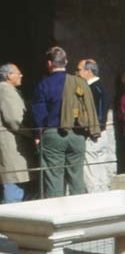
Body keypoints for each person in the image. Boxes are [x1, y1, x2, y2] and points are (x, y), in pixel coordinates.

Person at [31, 46, 100, 198]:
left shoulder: (44, 85)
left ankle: (58, 215)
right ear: (66, 62)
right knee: (76, 178)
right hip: (77, 135)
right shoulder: (79, 82)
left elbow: (39, 114)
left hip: (53, 134)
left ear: (49, 63)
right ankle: (78, 216)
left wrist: (38, 134)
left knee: (54, 179)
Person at [76, 58, 117, 192]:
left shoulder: (94, 89)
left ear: (88, 71)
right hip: (102, 132)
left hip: (94, 133)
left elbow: (97, 112)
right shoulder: (101, 87)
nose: (77, 72)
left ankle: (95, 197)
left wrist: (93, 129)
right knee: (100, 168)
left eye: (79, 70)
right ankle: (103, 194)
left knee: (91, 170)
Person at [0, 63, 33, 203]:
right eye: (18, 73)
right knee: (14, 183)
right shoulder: (6, 90)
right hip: (12, 144)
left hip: (9, 143)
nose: (21, 75)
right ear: (9, 76)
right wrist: (33, 134)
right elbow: (14, 119)